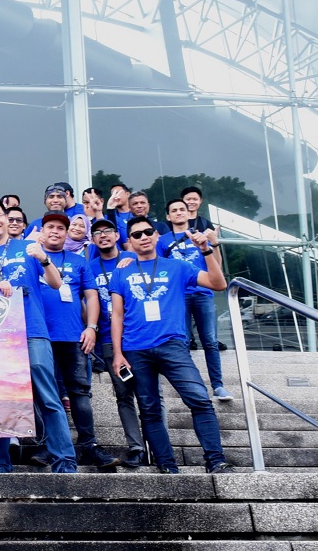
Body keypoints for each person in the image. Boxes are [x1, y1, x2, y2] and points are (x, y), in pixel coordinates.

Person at [110, 216, 233, 474]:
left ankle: (216, 460)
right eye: (137, 234)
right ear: (129, 241)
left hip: (171, 344)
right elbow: (117, 315)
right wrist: (118, 353)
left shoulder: (177, 267)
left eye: (147, 232)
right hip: (135, 348)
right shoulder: (121, 273)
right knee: (149, 409)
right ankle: (167, 465)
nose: (143, 237)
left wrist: (206, 250)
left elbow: (218, 284)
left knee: (200, 399)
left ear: (157, 236)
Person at [0, 197, 76, 473]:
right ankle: (0, 463)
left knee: (48, 398)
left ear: (7, 218)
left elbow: (56, 284)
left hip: (33, 331)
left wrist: (44, 259)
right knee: (1, 399)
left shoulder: (29, 248)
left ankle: (65, 461)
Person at [35, 213, 118, 469]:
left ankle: (88, 446)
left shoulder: (79, 261)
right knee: (43, 393)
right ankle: (49, 446)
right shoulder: (30, 259)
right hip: (40, 336)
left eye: (61, 228)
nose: (56, 232)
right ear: (41, 231)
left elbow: (91, 297)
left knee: (80, 393)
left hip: (73, 336)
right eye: (50, 227)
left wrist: (91, 328)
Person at [158, 199, 231, 400]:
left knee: (210, 341)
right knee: (181, 341)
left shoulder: (200, 236)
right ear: (168, 216)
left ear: (188, 213)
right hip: (178, 296)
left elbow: (217, 266)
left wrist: (213, 243)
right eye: (174, 210)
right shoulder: (163, 241)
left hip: (203, 293)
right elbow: (158, 267)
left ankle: (218, 385)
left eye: (182, 209)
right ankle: (188, 383)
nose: (179, 213)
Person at [87, 218, 144, 468]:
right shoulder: (89, 267)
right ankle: (136, 446)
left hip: (139, 337)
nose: (103, 235)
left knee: (150, 395)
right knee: (123, 395)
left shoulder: (134, 257)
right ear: (92, 239)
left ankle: (156, 445)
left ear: (117, 234)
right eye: (97, 232)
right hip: (110, 340)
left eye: (108, 231)